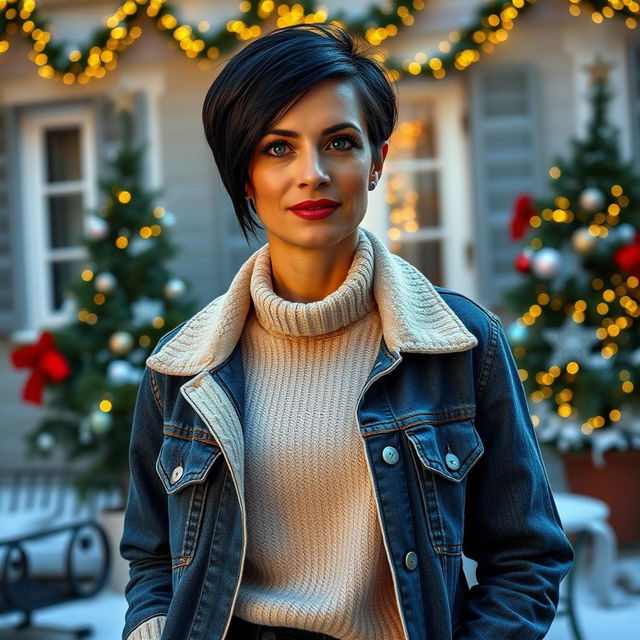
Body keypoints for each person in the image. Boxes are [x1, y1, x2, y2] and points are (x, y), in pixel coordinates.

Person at [120, 22, 574, 640]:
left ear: (377, 161)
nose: (312, 173)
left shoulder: (462, 345)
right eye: (278, 147)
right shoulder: (182, 368)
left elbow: (528, 558)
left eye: (339, 142)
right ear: (245, 175)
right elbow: (151, 558)